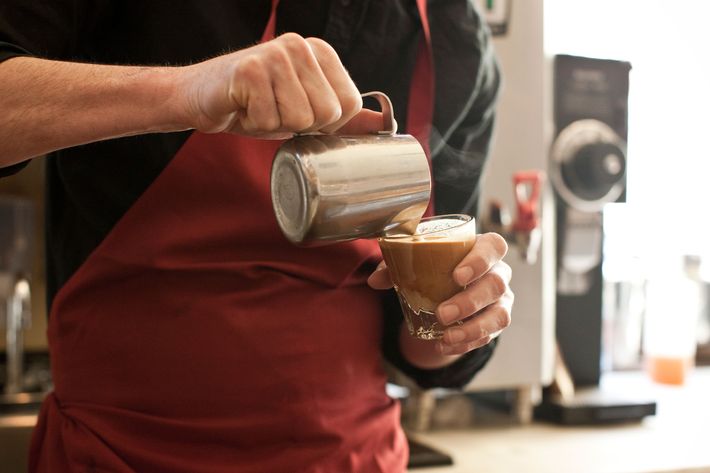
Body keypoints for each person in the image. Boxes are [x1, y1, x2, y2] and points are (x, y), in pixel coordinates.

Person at [0, 1, 513, 472]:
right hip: (122, 452)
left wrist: (462, 313)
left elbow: (415, 346)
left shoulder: (455, 36)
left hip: (352, 456)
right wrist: (189, 92)